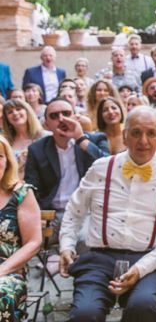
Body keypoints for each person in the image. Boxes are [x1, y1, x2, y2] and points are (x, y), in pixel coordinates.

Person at [58, 106, 156, 321]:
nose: (143, 141)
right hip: (98, 258)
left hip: (148, 259)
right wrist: (66, 246)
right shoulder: (101, 168)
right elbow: (74, 210)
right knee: (85, 314)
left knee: (142, 308)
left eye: (151, 133)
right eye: (136, 133)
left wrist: (141, 269)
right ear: (125, 136)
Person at [24, 97, 109, 234]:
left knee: (83, 241)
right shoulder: (36, 149)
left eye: (66, 113)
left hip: (86, 213)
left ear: (76, 117)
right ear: (46, 124)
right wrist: (37, 214)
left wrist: (80, 139)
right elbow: (31, 188)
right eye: (54, 116)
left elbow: (108, 168)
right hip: (51, 215)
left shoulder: (96, 140)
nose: (62, 119)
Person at [0, 135, 42, 321]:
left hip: (8, 271)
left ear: (7, 160)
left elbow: (34, 242)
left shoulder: (20, 193)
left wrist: (3, 269)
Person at [2, 99, 48, 179]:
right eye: (10, 112)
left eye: (18, 109)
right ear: (7, 119)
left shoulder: (45, 137)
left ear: (27, 112)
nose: (15, 113)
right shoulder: (5, 142)